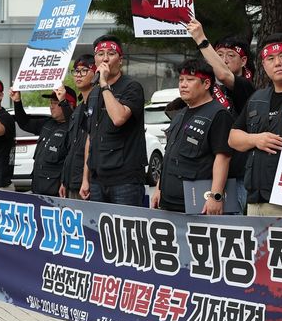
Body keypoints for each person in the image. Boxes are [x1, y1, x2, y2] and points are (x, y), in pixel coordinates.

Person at [229, 34, 282, 217]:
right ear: (263, 65)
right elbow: (233, 137)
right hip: (255, 201)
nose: (277, 63)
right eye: (270, 58)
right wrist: (255, 139)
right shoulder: (257, 98)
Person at [186, 19, 256, 213]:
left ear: (243, 61)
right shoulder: (207, 90)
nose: (223, 60)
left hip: (236, 176)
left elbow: (224, 75)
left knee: (235, 227)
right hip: (206, 174)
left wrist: (200, 39)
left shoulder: (247, 88)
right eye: (218, 55)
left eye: (230, 55)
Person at [151, 58, 233, 214]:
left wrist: (215, 196)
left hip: (196, 203)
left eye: (190, 80)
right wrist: (158, 188)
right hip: (169, 201)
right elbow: (169, 155)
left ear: (206, 84)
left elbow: (223, 158)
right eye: (181, 80)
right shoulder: (180, 114)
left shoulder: (218, 114)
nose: (183, 84)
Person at [80, 35, 147, 206]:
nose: (105, 59)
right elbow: (90, 137)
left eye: (111, 53)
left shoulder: (132, 87)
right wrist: (85, 178)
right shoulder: (94, 93)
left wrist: (104, 84)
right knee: (97, 224)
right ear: (95, 59)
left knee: (126, 223)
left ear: (121, 60)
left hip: (125, 180)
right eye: (100, 54)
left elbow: (118, 118)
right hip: (97, 179)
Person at [10, 85, 77, 196]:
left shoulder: (74, 129)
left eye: (55, 103)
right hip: (38, 188)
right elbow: (24, 123)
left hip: (58, 193)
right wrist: (17, 101)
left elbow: (73, 124)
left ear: (69, 104)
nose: (51, 106)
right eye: (50, 102)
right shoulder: (47, 123)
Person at [59, 54, 96, 199]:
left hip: (88, 183)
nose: (78, 75)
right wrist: (64, 180)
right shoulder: (79, 109)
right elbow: (72, 147)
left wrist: (86, 180)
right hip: (72, 181)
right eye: (76, 71)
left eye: (84, 70)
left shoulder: (99, 104)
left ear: (96, 73)